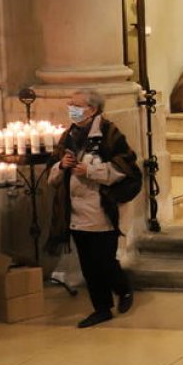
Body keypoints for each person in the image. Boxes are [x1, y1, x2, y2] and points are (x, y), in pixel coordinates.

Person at [47, 89, 141, 328]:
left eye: (76, 105)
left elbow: (127, 169)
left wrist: (90, 171)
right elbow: (52, 174)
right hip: (75, 212)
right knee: (88, 265)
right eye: (70, 104)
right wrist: (62, 165)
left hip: (101, 210)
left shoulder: (109, 133)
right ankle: (101, 309)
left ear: (93, 109)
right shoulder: (68, 134)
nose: (71, 108)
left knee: (105, 261)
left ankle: (123, 288)